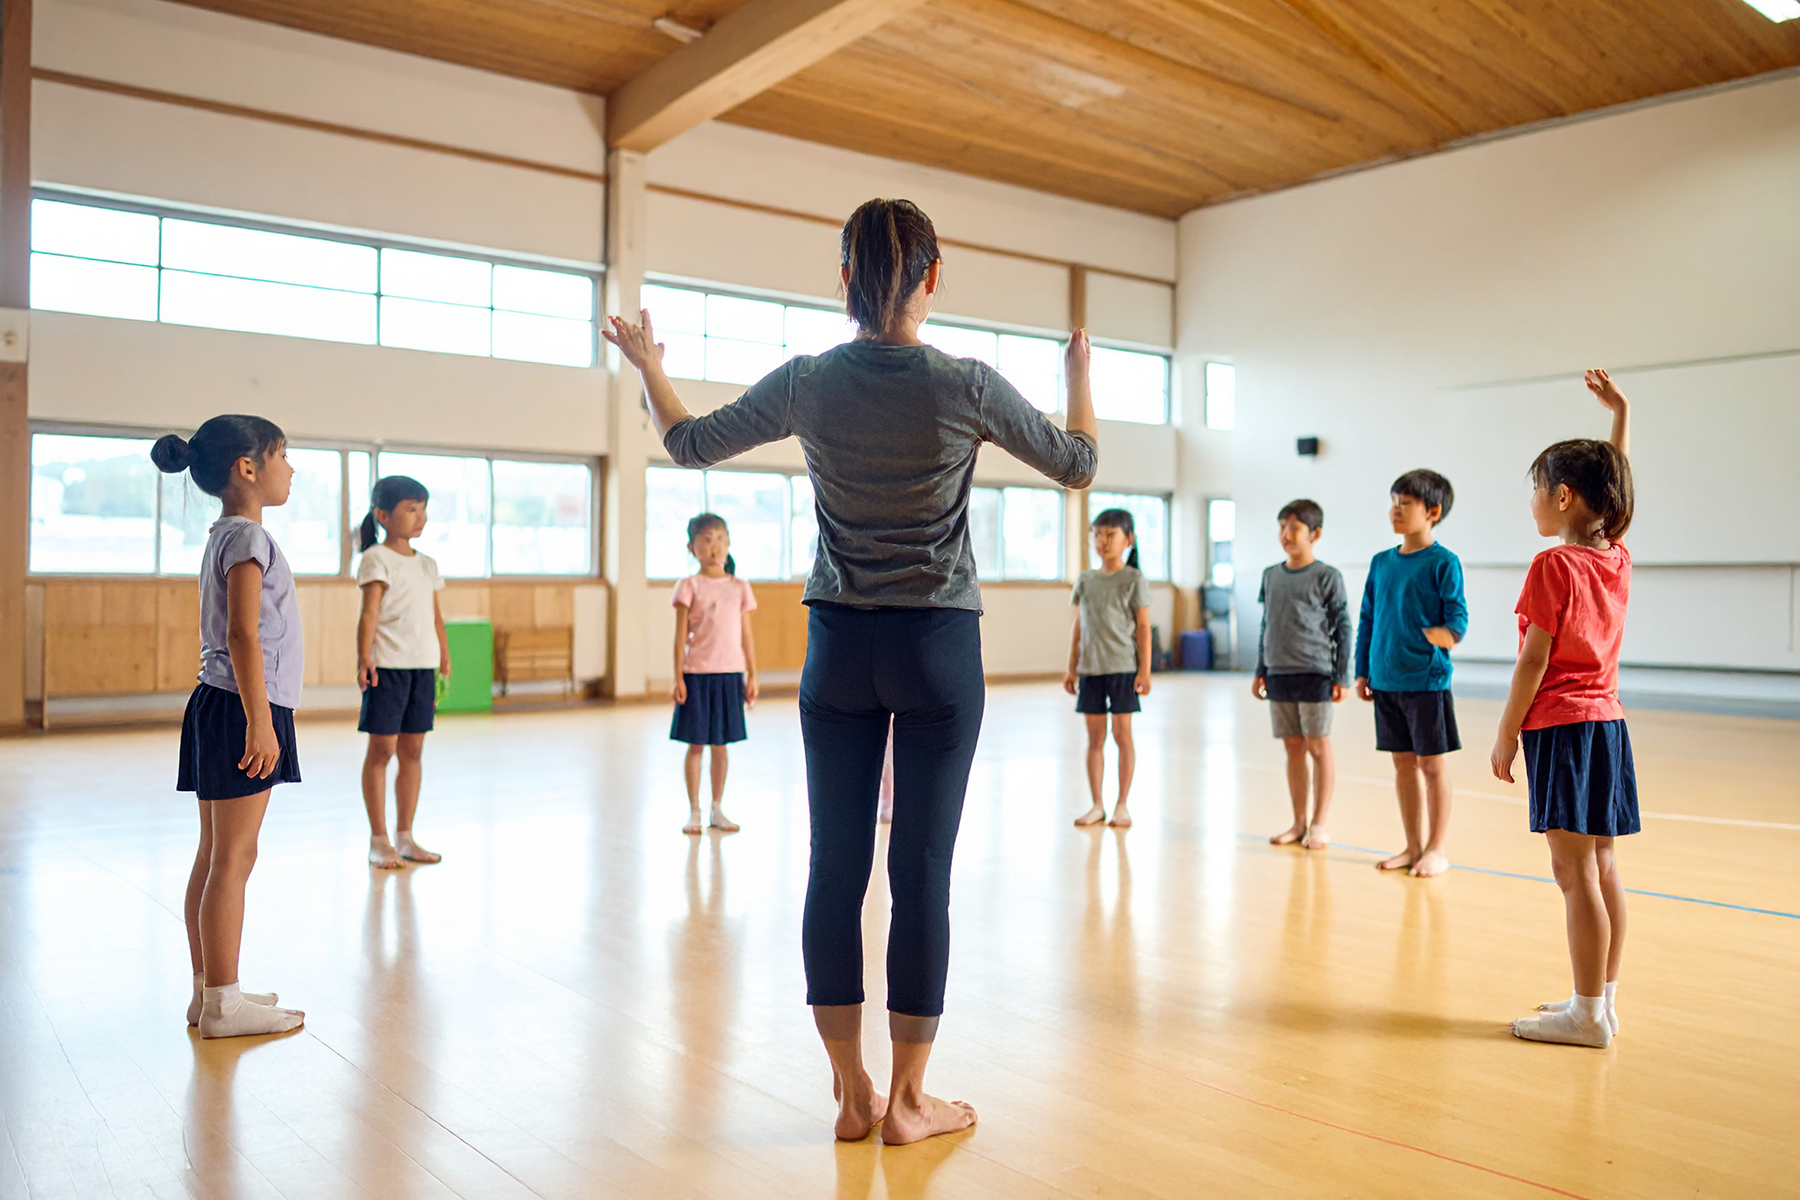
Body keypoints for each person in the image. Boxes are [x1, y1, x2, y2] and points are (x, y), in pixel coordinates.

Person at [604, 197, 1097, 1145]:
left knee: (836, 867)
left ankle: (850, 1092)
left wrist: (650, 364)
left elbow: (686, 442)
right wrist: (1077, 375)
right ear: (933, 279)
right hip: (938, 646)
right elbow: (1076, 464)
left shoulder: (809, 382)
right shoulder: (968, 383)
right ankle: (912, 1103)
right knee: (921, 871)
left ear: (843, 279)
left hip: (838, 645)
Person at [1492, 370, 1635, 1048]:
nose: (1533, 504)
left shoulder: (1553, 567)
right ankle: (1598, 1002)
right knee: (1602, 869)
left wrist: (1505, 733)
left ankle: (1585, 1017)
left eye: (1537, 491)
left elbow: (1532, 662)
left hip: (1564, 727)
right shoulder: (1614, 557)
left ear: (1564, 496)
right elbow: (1618, 485)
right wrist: (1621, 415)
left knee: (1573, 874)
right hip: (1607, 725)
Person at [152, 415, 306, 1038]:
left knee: (218, 854)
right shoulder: (248, 540)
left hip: (218, 701)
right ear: (248, 467)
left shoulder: (225, 534)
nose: (290, 469)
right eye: (283, 456)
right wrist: (260, 722)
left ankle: (208, 989)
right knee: (234, 857)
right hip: (244, 704)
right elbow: (244, 632)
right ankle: (223, 1002)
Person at [1353, 468, 1467, 878]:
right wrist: (1362, 670)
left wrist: (1443, 637)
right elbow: (1368, 618)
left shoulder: (1444, 563)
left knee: (1431, 766)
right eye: (1393, 503)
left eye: (1405, 505)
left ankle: (1436, 848)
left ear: (1432, 511)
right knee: (1402, 765)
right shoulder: (1381, 562)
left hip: (1426, 682)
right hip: (1384, 681)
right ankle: (1412, 845)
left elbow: (1457, 619)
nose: (1395, 511)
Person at [355, 475, 449, 870]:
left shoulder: (427, 563)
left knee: (413, 751)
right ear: (383, 515)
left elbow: (436, 616)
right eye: (410, 509)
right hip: (388, 669)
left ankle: (405, 837)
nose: (420, 516)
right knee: (382, 750)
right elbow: (369, 613)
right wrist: (364, 658)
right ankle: (379, 840)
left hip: (422, 668)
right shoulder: (376, 558)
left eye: (422, 508)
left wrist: (444, 657)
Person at [1252, 499, 1350, 850]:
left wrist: (1342, 675)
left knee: (1318, 746)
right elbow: (1267, 624)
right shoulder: (1270, 575)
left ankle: (1319, 824)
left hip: (1316, 672)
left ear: (1315, 534)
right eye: (1281, 527)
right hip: (1278, 673)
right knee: (1293, 748)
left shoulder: (1327, 576)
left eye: (1293, 528)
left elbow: (1343, 626)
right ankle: (1298, 822)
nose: (1285, 535)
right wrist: (1260, 669)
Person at [670, 513, 759, 834]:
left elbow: (746, 636)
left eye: (720, 539)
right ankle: (694, 811)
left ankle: (717, 808)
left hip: (729, 675)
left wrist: (752, 675)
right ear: (692, 547)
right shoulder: (688, 586)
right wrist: (678, 676)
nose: (714, 546)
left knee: (721, 745)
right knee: (696, 745)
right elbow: (679, 637)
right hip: (696, 674)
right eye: (707, 539)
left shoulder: (739, 587)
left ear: (729, 543)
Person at [1063, 508, 1151, 829]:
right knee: (1095, 738)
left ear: (1128, 539)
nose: (1103, 541)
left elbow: (1143, 627)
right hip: (1090, 669)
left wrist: (1145, 671)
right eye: (1098, 534)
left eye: (1111, 534)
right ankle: (1097, 804)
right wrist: (1071, 667)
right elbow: (1078, 626)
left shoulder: (1133, 579)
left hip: (1123, 669)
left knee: (1122, 734)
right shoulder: (1085, 580)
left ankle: (1122, 804)